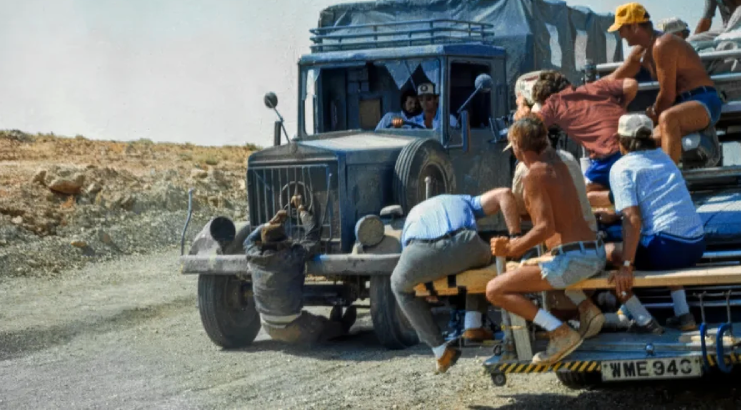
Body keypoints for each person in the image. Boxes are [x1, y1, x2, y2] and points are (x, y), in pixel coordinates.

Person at [485, 116, 606, 365]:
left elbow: (544, 227)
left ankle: (559, 332)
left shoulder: (533, 174)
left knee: (495, 289)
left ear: (518, 145)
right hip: (594, 252)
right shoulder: (560, 164)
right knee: (533, 265)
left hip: (575, 260)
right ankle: (586, 308)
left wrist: (513, 247)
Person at [389, 188, 521, 374]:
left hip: (419, 251)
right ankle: (473, 325)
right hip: (464, 243)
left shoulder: (413, 214)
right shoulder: (464, 200)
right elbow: (504, 194)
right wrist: (516, 238)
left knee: (398, 286)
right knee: (485, 268)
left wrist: (429, 287)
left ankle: (440, 351)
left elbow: (421, 261)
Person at [596, 114, 707, 333]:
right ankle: (684, 314)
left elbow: (633, 219)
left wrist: (626, 266)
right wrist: (616, 216)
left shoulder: (621, 167)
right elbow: (652, 208)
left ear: (620, 140)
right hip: (695, 245)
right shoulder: (664, 158)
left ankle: (643, 319)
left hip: (667, 248)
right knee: (662, 242)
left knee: (606, 253)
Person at [607, 2, 723, 164]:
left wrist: (652, 115)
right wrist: (583, 92)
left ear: (634, 27)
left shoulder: (663, 44)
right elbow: (613, 78)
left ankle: (670, 175)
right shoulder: (640, 52)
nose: (620, 35)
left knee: (668, 118)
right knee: (641, 143)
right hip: (679, 106)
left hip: (702, 100)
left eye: (621, 29)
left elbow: (667, 96)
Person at [514, 70, 639, 207]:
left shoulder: (554, 103)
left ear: (545, 98)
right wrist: (623, 105)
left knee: (585, 196)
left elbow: (528, 126)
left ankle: (628, 194)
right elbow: (631, 84)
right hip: (637, 144)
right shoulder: (595, 86)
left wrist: (521, 104)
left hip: (611, 153)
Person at [245, 196, 357, 344]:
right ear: (283, 243)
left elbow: (248, 240)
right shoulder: (293, 256)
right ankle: (342, 326)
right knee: (324, 329)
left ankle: (334, 321)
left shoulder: (253, 256)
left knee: (316, 321)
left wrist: (271, 223)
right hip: (293, 327)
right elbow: (312, 237)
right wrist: (302, 210)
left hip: (267, 325)